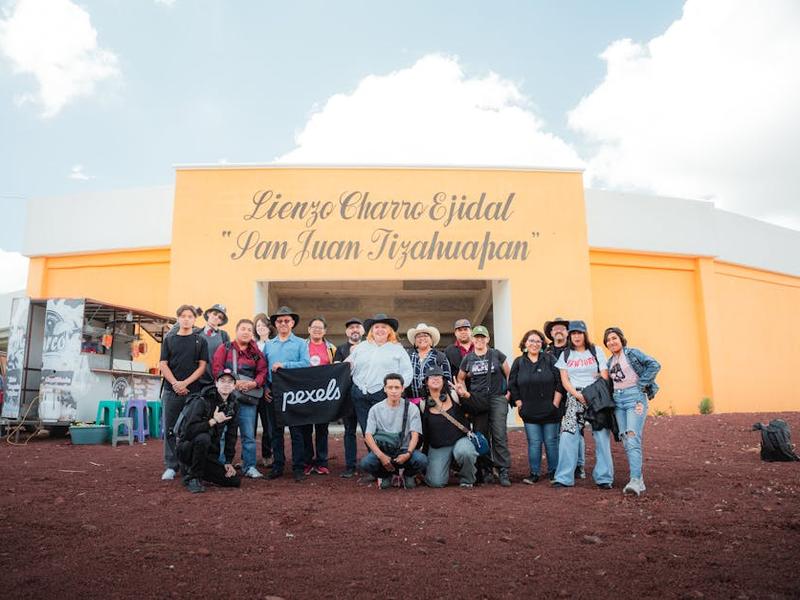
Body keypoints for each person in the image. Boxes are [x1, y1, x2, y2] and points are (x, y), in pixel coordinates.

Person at [346, 313, 413, 484]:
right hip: (360, 394)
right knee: (367, 431)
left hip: (382, 395)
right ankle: (374, 469)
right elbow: (348, 366)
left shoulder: (397, 349)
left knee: (382, 431)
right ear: (371, 330)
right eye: (376, 327)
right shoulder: (361, 347)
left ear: (389, 331)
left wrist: (398, 389)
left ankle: (388, 466)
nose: (380, 329)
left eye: (384, 327)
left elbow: (407, 372)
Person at [552, 320, 613, 489]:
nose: (576, 336)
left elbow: (605, 375)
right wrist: (577, 395)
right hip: (575, 395)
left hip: (596, 396)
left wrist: (591, 393)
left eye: (579, 333)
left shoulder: (596, 351)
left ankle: (604, 477)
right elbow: (564, 380)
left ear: (584, 334)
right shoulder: (565, 354)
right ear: (569, 335)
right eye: (573, 333)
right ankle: (564, 477)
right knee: (567, 434)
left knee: (601, 435)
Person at [603, 326, 661, 496]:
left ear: (621, 339)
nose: (611, 342)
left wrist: (642, 384)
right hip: (618, 402)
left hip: (634, 399)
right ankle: (639, 479)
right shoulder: (609, 362)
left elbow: (654, 365)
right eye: (608, 340)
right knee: (626, 440)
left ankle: (635, 480)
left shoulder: (633, 354)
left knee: (632, 436)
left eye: (614, 338)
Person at [455, 325, 512, 487]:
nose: (479, 340)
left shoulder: (496, 354)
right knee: (482, 436)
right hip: (478, 400)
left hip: (497, 398)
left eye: (482, 337)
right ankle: (486, 469)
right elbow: (460, 378)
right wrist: (465, 394)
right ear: (473, 340)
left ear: (487, 339)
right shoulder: (468, 359)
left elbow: (509, 374)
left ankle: (503, 469)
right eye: (477, 337)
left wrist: (508, 394)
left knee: (499, 434)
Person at [212, 319, 268, 479]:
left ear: (252, 333)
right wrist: (233, 384)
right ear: (236, 331)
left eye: (249, 330)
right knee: (221, 433)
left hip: (248, 399)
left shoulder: (256, 353)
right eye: (243, 328)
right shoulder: (225, 348)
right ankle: (221, 466)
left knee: (248, 435)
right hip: (226, 398)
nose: (246, 332)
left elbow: (262, 371)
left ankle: (249, 466)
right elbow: (217, 369)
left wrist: (253, 383)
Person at [159, 304, 209, 481]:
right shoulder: (169, 339)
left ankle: (187, 465)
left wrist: (185, 383)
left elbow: (202, 366)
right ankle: (171, 465)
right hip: (171, 391)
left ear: (195, 320)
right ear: (178, 318)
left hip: (192, 391)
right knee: (170, 429)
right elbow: (163, 364)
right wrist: (175, 383)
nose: (187, 319)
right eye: (183, 316)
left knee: (189, 429)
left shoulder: (200, 341)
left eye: (190, 316)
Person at [263, 306, 311, 481]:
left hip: (293, 394)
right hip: (273, 393)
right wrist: (265, 388)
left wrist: (285, 365)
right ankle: (278, 466)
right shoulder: (268, 345)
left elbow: (306, 364)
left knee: (296, 432)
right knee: (275, 432)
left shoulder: (301, 343)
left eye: (286, 320)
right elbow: (263, 369)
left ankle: (298, 468)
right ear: (275, 324)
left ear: (292, 323)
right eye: (279, 321)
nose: (283, 323)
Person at [509, 329, 562, 484]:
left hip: (550, 409)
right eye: (531, 341)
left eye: (538, 341)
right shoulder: (518, 362)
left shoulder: (550, 359)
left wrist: (555, 404)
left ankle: (554, 472)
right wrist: (519, 404)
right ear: (525, 343)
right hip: (529, 410)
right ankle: (534, 473)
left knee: (551, 441)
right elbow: (512, 385)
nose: (535, 344)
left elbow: (560, 381)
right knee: (534, 442)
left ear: (542, 344)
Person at [176, 369, 241, 493]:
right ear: (216, 383)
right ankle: (194, 477)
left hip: (209, 453)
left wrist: (228, 461)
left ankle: (191, 471)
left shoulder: (233, 405)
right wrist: (213, 421)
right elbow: (188, 431)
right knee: (203, 437)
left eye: (230, 382)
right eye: (222, 381)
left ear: (234, 386)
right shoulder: (202, 400)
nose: (226, 384)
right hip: (187, 448)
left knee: (234, 481)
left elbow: (231, 435)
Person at [359, 373, 427, 489]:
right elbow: (368, 435)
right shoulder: (375, 409)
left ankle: (408, 475)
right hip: (384, 450)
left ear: (402, 388)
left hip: (404, 449)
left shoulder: (411, 408)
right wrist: (381, 456)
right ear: (385, 389)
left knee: (421, 460)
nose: (394, 391)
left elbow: (415, 434)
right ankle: (385, 475)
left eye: (397, 387)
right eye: (390, 387)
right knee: (366, 463)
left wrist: (408, 453)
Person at [421, 367, 478, 488]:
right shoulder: (423, 404)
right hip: (439, 445)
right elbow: (425, 433)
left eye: (438, 376)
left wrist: (464, 395)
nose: (435, 378)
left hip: (460, 440)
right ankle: (449, 464)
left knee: (465, 452)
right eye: (431, 376)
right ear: (426, 381)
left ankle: (467, 479)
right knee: (436, 482)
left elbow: (474, 409)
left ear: (443, 380)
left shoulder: (454, 395)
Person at [545, 316, 586, 479]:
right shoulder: (546, 351)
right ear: (551, 333)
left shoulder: (574, 350)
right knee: (555, 435)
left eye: (562, 328)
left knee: (576, 431)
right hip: (553, 398)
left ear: (567, 332)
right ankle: (560, 466)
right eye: (555, 328)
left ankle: (579, 465)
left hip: (573, 396)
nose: (559, 330)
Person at [302, 316, 337, 475]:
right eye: (314, 327)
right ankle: (307, 462)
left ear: (325, 331)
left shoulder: (331, 349)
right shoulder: (301, 346)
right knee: (306, 429)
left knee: (322, 429)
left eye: (320, 327)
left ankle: (322, 462)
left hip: (323, 395)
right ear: (308, 330)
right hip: (304, 394)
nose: (317, 330)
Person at [333, 317, 365, 478]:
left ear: (363, 331)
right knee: (349, 432)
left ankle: (372, 465)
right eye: (351, 327)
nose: (354, 330)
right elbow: (337, 370)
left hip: (366, 397)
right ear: (347, 332)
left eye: (357, 327)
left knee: (369, 432)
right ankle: (350, 466)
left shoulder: (369, 348)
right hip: (347, 397)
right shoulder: (341, 349)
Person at [405, 323, 452, 405]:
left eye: (425, 336)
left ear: (431, 340)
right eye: (418, 336)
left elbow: (447, 381)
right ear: (415, 341)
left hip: (434, 401)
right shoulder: (407, 356)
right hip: (411, 402)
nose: (422, 338)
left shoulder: (440, 356)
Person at [253, 313, 275, 468]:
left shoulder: (274, 344)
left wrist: (267, 386)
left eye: (263, 325)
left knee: (268, 425)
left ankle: (267, 454)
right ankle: (246, 456)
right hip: (253, 390)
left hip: (268, 389)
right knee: (250, 425)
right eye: (258, 326)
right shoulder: (252, 345)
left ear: (269, 328)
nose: (260, 328)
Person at [198, 304, 230, 386]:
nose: (216, 317)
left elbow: (227, 359)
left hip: (215, 381)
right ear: (208, 314)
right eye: (214, 314)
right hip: (196, 380)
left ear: (221, 322)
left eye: (220, 317)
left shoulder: (224, 336)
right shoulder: (197, 333)